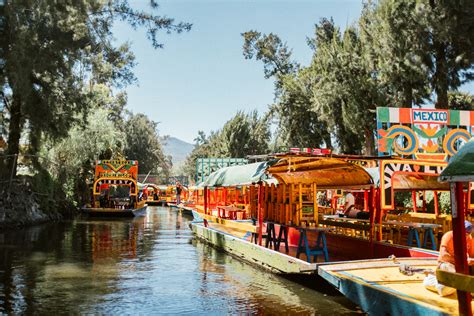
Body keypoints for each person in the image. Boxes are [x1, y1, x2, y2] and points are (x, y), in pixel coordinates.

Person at [424, 220, 474, 296]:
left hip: (461, 265)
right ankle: (431, 280)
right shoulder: (449, 236)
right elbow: (444, 255)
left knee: (461, 283)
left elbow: (471, 255)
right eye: (465, 234)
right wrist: (462, 261)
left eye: (468, 234)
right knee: (449, 287)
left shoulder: (469, 238)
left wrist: (471, 260)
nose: (467, 236)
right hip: (447, 264)